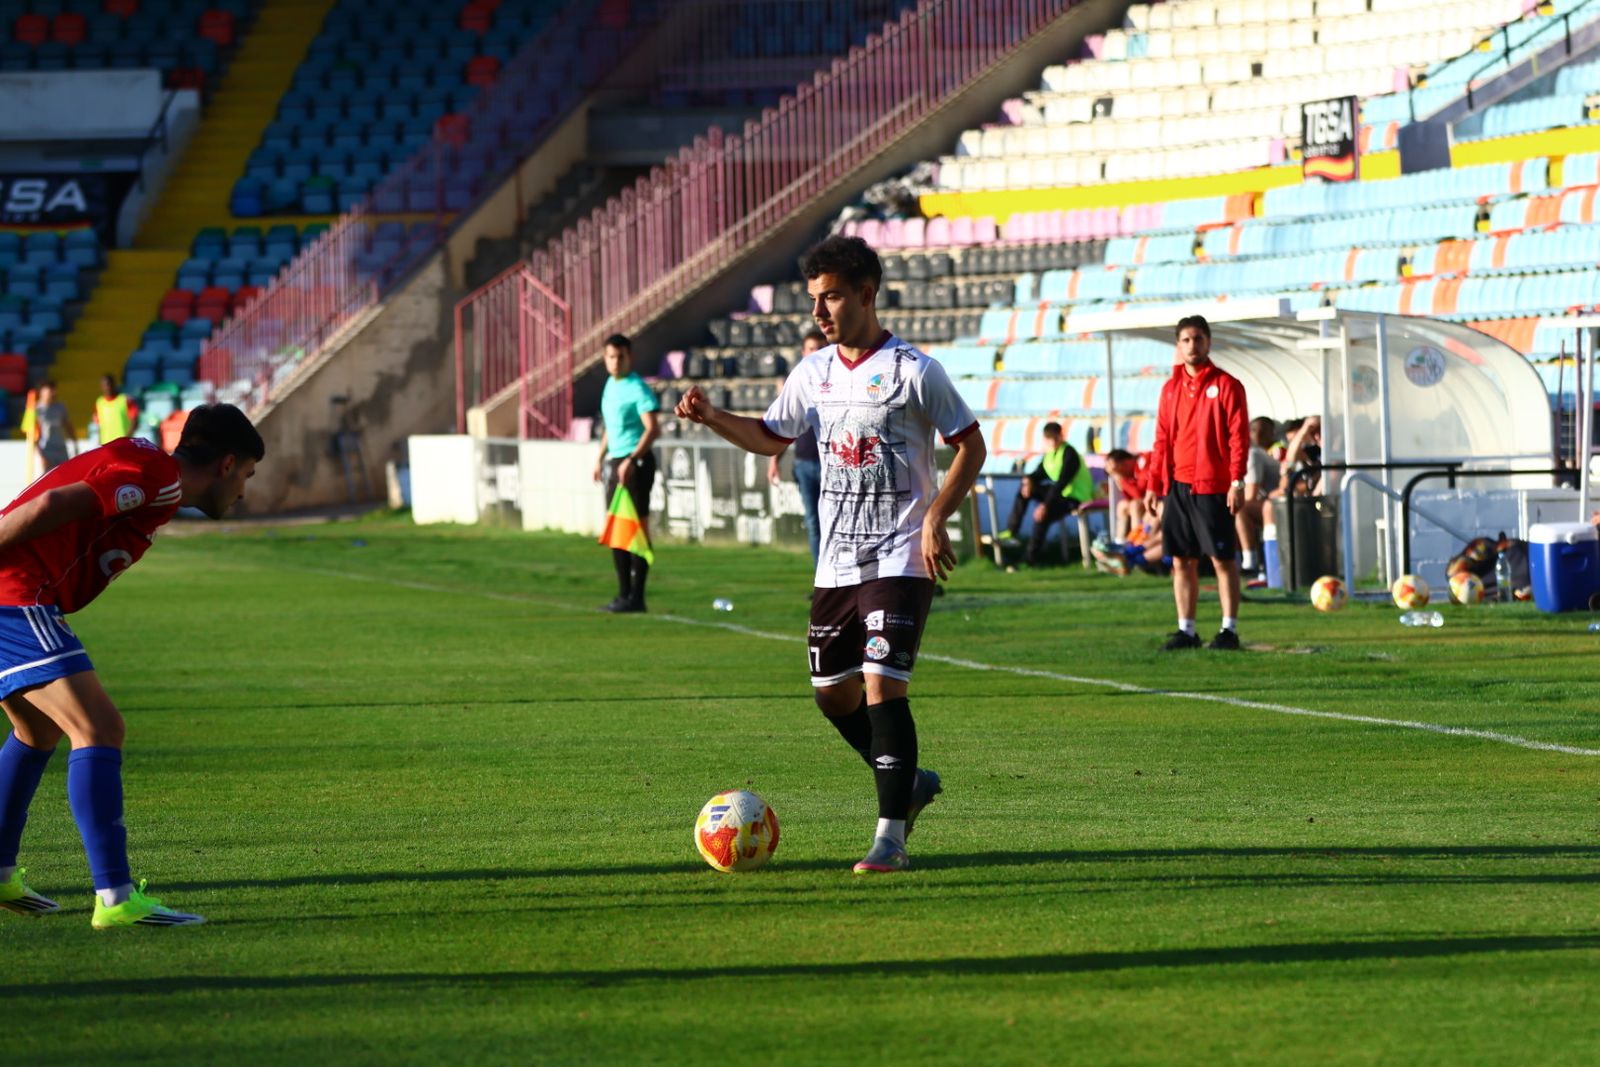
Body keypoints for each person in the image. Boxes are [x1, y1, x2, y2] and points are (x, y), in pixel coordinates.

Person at [675, 234, 986, 874]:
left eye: (833, 297)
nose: (819, 311)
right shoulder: (811, 372)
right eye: (814, 298)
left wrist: (935, 517)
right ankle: (908, 782)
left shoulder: (914, 370)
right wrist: (712, 416)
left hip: (900, 554)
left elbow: (970, 446)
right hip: (836, 561)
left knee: (881, 685)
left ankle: (890, 839)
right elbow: (770, 436)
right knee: (832, 695)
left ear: (867, 294)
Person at [0, 404, 262, 928]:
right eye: (247, 476)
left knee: (38, 730)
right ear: (227, 463)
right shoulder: (158, 477)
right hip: (16, 597)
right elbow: (53, 503)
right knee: (99, 728)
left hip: (19, 597)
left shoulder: (148, 468)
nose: (243, 492)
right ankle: (116, 898)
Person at [1144, 315, 1249, 651]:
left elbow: (1239, 437)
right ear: (1178, 345)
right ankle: (1186, 631)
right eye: (1186, 340)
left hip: (1213, 485)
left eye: (1198, 339)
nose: (1193, 346)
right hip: (1178, 486)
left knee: (1222, 559)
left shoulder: (1227, 385)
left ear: (1209, 342)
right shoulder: (1170, 389)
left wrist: (1237, 480)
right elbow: (1161, 438)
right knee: (1181, 560)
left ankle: (1229, 630)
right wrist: (1153, 484)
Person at [593, 334, 661, 613]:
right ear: (604, 358)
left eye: (621, 357)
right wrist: (599, 458)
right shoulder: (610, 385)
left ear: (629, 357)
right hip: (616, 462)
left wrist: (632, 459)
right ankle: (623, 595)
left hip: (636, 464)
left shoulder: (637, 388)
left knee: (637, 530)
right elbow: (610, 428)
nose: (616, 362)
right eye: (611, 357)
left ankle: (637, 597)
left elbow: (652, 429)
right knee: (618, 529)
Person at [768, 329, 828, 565]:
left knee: (834, 523)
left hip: (830, 464)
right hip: (803, 463)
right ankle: (820, 576)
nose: (816, 353)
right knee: (813, 523)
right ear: (803, 352)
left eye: (820, 348)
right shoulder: (796, 383)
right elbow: (783, 428)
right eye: (811, 349)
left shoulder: (836, 381)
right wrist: (775, 460)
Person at [1001, 420, 1092, 566]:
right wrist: (1028, 480)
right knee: (1025, 489)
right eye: (1050, 439)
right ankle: (1012, 530)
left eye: (1056, 438)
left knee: (1042, 516)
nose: (1053, 442)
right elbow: (1039, 474)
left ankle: (1030, 559)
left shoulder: (1070, 454)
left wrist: (1045, 505)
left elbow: (1062, 483)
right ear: (1045, 439)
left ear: (1061, 436)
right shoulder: (1050, 455)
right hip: (1060, 495)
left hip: (1074, 497)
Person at [1236, 416, 1279, 574]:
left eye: (1262, 430)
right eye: (1253, 430)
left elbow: (1250, 495)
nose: (1258, 434)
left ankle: (1249, 561)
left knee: (1239, 509)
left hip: (1277, 506)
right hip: (1270, 504)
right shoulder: (1256, 453)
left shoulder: (1253, 454)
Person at [91, 375, 136, 445]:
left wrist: (126, 439)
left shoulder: (125, 400)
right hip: (106, 444)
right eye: (104, 385)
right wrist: (99, 442)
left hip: (122, 444)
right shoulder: (99, 403)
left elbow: (134, 421)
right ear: (101, 387)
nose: (107, 387)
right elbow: (99, 425)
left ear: (114, 385)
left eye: (109, 384)